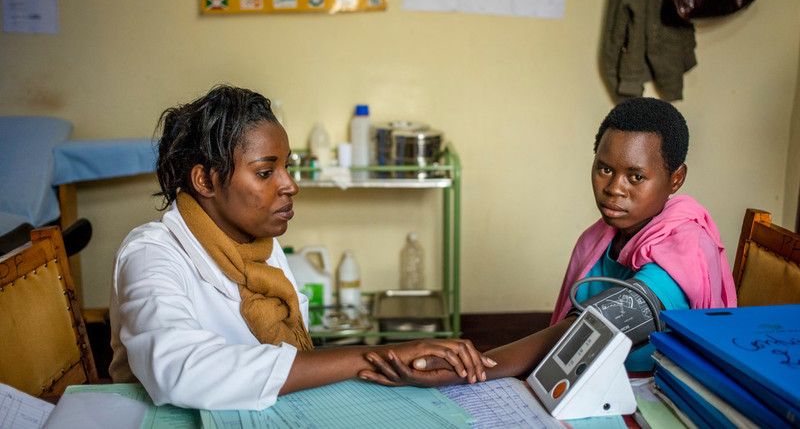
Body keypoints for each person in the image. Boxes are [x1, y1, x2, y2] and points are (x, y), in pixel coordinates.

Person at [108, 85, 494, 410]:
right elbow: (181, 371)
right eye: (265, 172)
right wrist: (369, 356)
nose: (290, 185)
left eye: (287, 168)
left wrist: (394, 361)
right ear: (205, 181)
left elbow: (286, 361)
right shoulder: (151, 254)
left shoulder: (259, 247)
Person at [360, 97, 737, 386]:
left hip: (648, 393)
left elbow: (593, 329)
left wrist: (469, 369)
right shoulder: (601, 237)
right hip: (592, 382)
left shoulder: (685, 248)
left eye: (635, 177)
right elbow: (576, 325)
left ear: (675, 179)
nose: (613, 189)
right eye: (605, 168)